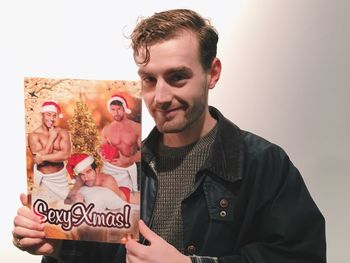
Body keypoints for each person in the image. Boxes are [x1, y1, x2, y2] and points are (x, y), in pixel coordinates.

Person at [12, 9, 326, 263]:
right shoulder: (130, 167)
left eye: (177, 77)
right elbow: (106, 251)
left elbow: (301, 256)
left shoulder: (263, 163)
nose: (160, 96)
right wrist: (60, 246)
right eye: (149, 79)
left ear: (212, 73)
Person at [99, 94, 141, 201]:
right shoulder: (107, 129)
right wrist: (102, 154)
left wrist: (129, 159)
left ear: (124, 109)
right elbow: (101, 148)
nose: (116, 112)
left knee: (128, 202)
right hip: (109, 170)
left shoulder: (136, 127)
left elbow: (145, 151)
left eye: (119, 109)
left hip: (127, 170)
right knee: (109, 200)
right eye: (113, 109)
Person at [28, 100, 71, 203]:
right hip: (44, 181)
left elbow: (66, 154)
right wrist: (52, 138)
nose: (51, 119)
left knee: (64, 212)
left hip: (60, 180)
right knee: (42, 213)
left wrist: (43, 156)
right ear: (42, 115)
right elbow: (39, 162)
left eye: (54, 115)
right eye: (48, 115)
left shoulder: (63, 132)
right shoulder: (33, 135)